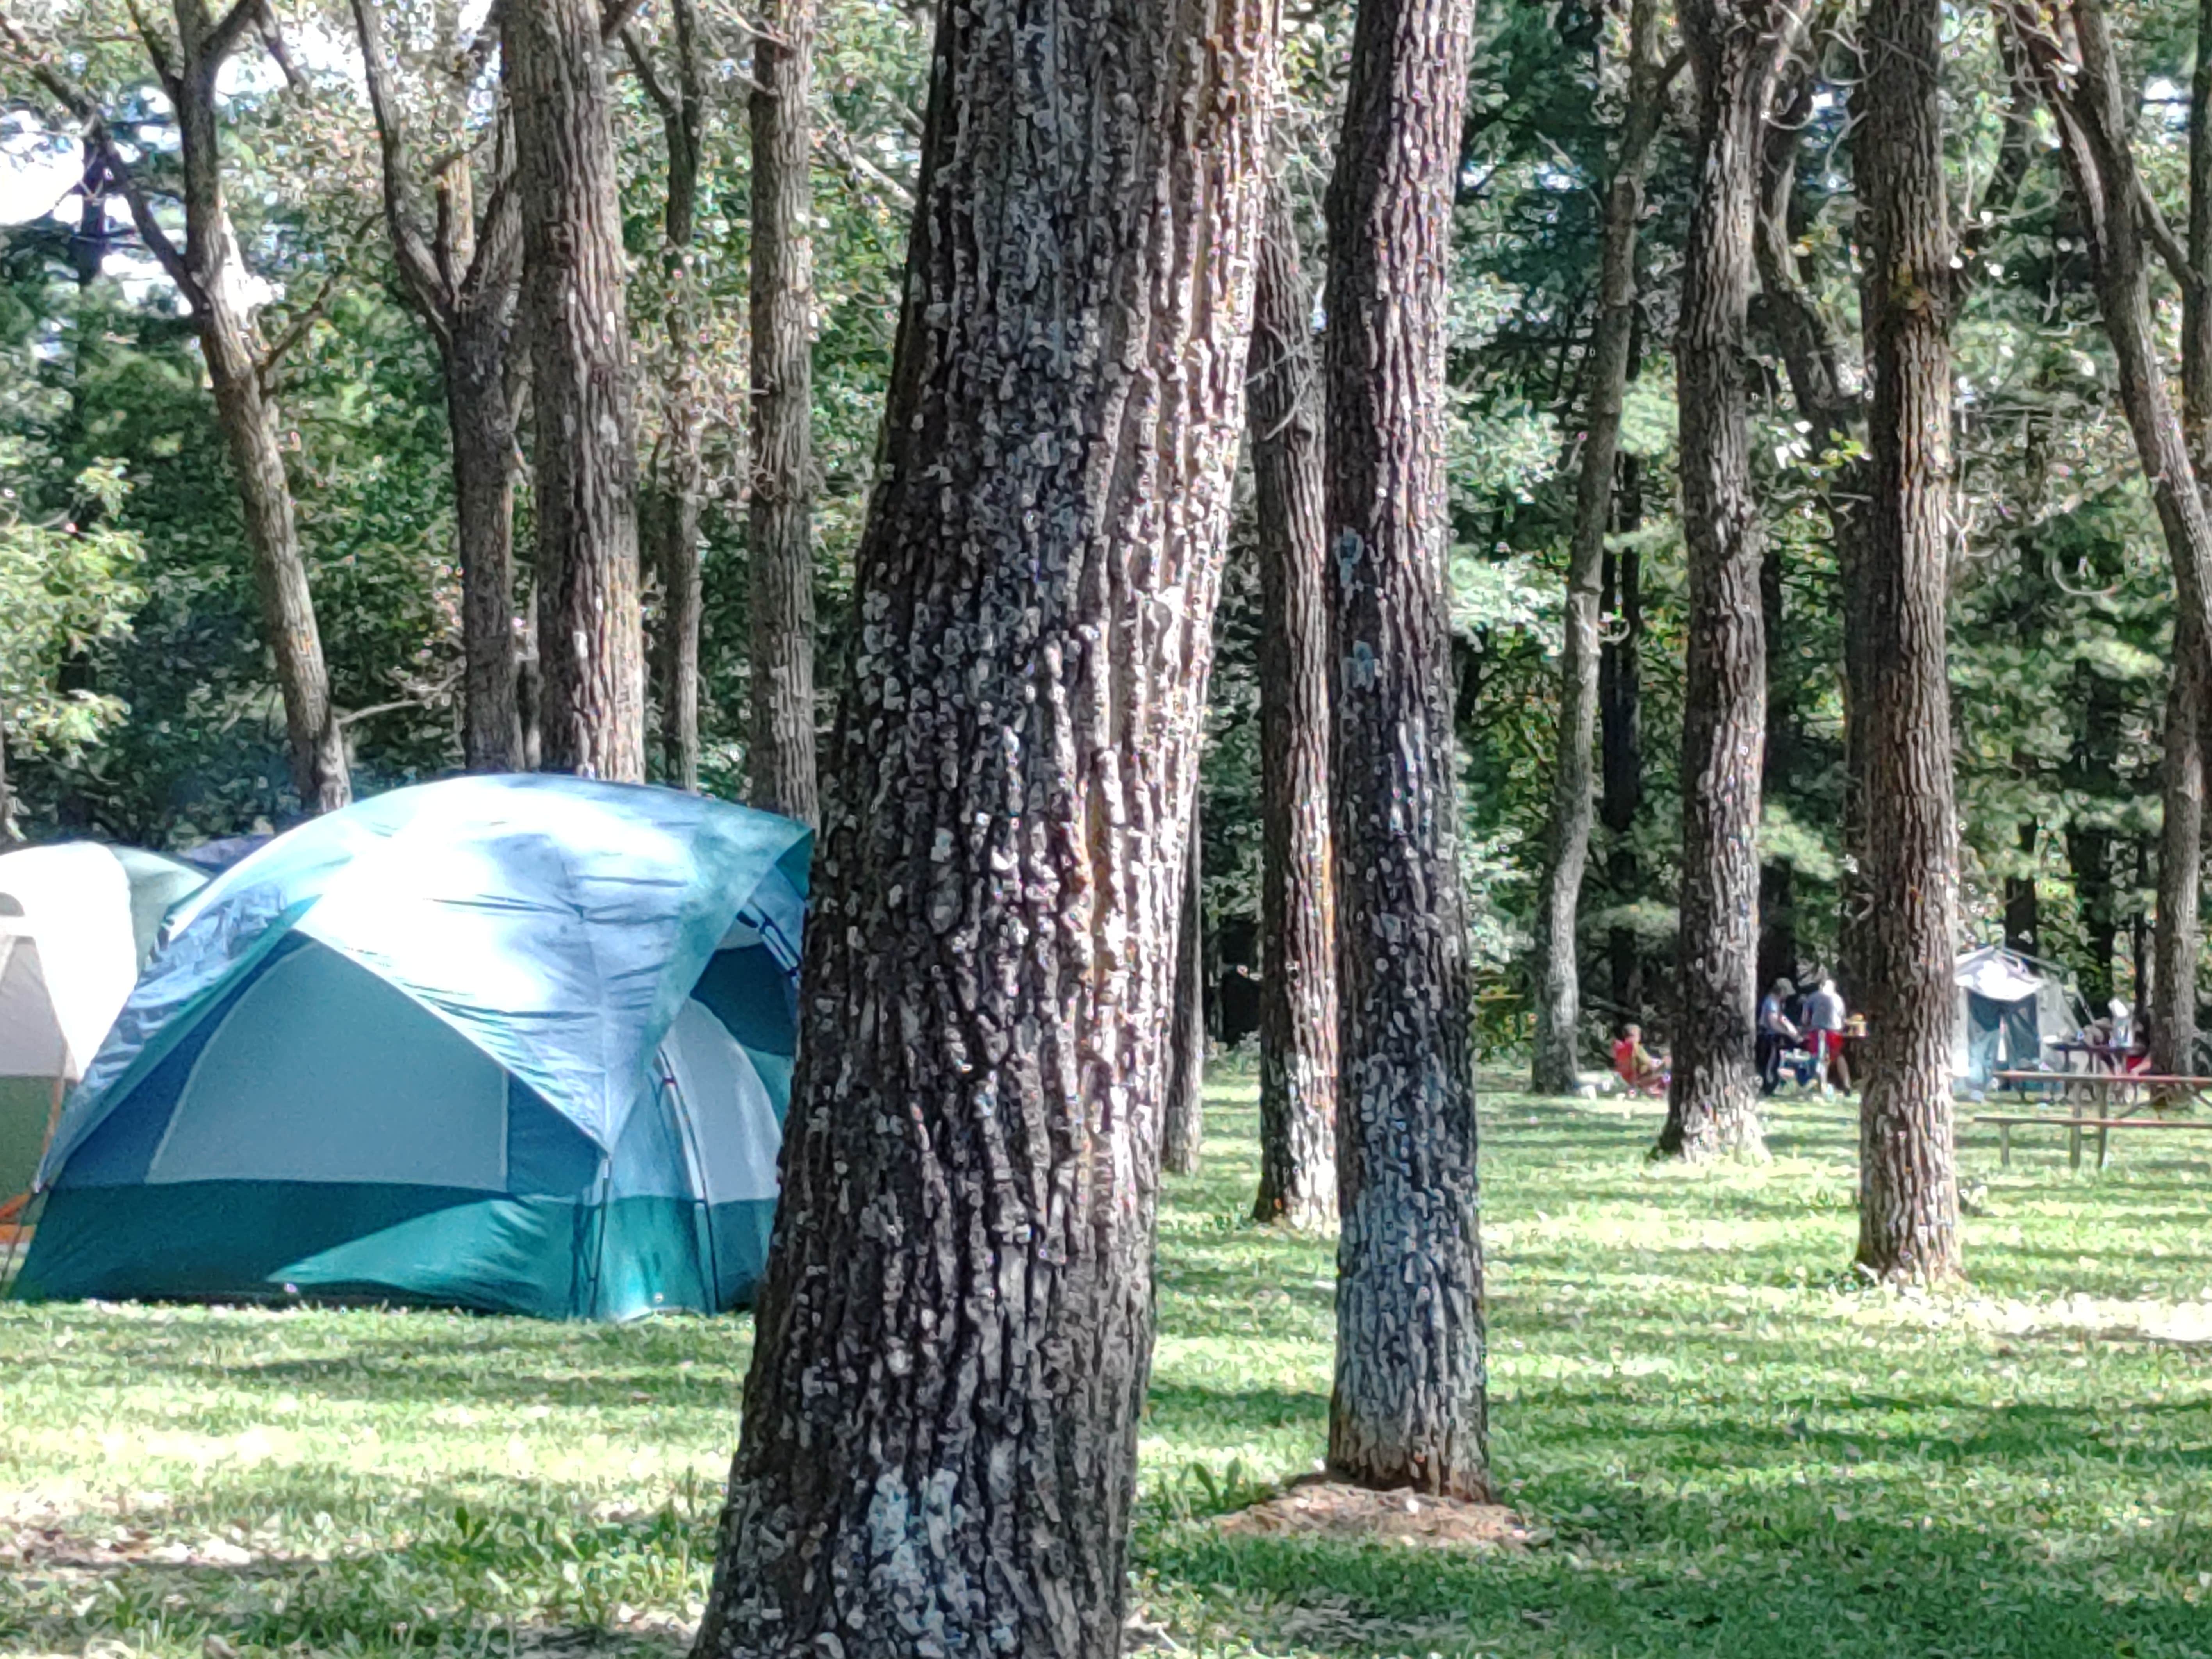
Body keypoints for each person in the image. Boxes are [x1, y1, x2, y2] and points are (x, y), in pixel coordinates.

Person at [1803, 976, 1849, 1096]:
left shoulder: (1812, 997)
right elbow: (1843, 1019)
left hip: (1817, 1031)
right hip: (1835, 1032)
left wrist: (1805, 1029)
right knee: (1838, 1057)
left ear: (1821, 987)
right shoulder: (1839, 999)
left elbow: (1805, 1019)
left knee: (1819, 1057)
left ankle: (1821, 1086)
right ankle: (1847, 1085)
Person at [1758, 978, 1799, 1096]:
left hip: (1773, 1038)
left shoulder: (1777, 1003)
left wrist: (1793, 1031)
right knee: (1769, 1067)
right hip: (1767, 1038)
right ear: (1782, 991)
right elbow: (1773, 1023)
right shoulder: (1771, 1002)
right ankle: (1767, 1089)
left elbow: (1782, 1019)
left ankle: (1772, 1087)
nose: (1787, 996)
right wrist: (1788, 1033)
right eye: (1786, 993)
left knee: (1775, 1064)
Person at [1613, 1024, 1668, 1097]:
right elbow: (1652, 1066)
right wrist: (1665, 1062)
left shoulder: (1620, 1048)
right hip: (1639, 1080)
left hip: (1627, 1079)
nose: (1640, 1037)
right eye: (1639, 1035)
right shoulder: (1636, 1047)